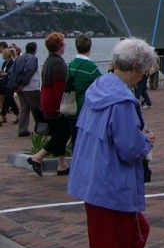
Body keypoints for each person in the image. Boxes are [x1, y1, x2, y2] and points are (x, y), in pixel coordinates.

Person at [68, 37, 157, 248]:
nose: (143, 77)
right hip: (112, 186)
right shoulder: (122, 101)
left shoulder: (98, 88)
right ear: (136, 68)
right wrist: (145, 140)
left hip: (92, 182)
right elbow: (129, 148)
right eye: (144, 71)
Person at [27, 32, 70, 176]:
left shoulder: (49, 60)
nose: (65, 45)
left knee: (59, 133)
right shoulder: (58, 62)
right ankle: (37, 157)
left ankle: (62, 164)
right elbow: (59, 87)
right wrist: (63, 106)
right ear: (59, 46)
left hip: (47, 101)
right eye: (63, 43)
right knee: (63, 134)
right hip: (55, 104)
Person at [65, 34, 103, 152]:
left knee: (74, 137)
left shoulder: (71, 64)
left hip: (70, 105)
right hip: (84, 107)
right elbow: (101, 83)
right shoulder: (90, 66)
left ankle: (74, 161)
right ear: (89, 47)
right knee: (85, 140)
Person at [9, 41, 40, 137]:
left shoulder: (19, 58)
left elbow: (12, 71)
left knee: (24, 108)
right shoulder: (33, 59)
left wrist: (15, 85)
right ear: (35, 49)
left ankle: (22, 129)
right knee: (37, 108)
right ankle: (41, 128)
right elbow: (29, 71)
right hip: (30, 88)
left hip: (19, 89)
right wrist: (23, 83)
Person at [0, 47, 20, 125]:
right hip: (4, 84)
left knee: (6, 101)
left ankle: (2, 117)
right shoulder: (5, 63)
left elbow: (11, 74)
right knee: (11, 101)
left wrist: (2, 74)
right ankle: (18, 116)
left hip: (10, 84)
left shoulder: (12, 63)